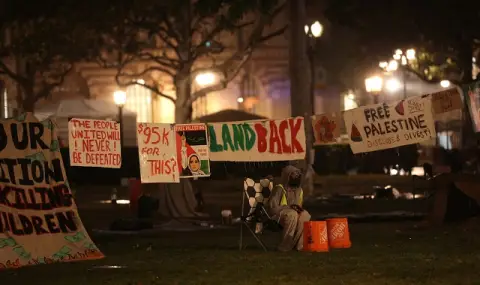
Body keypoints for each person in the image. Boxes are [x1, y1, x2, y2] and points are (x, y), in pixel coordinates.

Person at [268, 165, 311, 251]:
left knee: (305, 215)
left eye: (298, 174)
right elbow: (272, 209)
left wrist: (298, 209)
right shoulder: (279, 189)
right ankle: (285, 246)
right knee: (292, 214)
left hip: (293, 214)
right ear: (287, 176)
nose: (296, 176)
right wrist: (288, 207)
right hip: (277, 216)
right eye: (294, 174)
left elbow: (299, 206)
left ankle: (299, 245)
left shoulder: (299, 190)